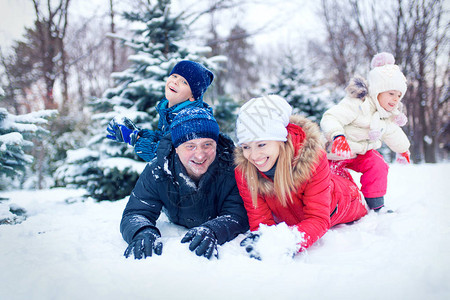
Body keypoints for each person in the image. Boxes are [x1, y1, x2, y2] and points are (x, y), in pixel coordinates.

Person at [234, 95, 367, 258]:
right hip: (300, 211)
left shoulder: (311, 159)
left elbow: (318, 219)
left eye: (261, 144)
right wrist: (265, 240)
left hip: (344, 199)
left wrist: (288, 241)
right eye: (246, 146)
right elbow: (260, 218)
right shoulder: (245, 171)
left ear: (280, 140)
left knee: (346, 190)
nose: (253, 155)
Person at [120, 107, 249, 259]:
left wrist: (214, 229)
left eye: (207, 144)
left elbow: (237, 213)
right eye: (190, 146)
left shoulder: (232, 169)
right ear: (176, 148)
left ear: (216, 143)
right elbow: (136, 212)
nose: (200, 155)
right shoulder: (158, 170)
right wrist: (142, 231)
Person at [320, 52, 411, 212]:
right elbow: (331, 117)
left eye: (398, 95)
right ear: (377, 91)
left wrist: (403, 149)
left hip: (361, 152)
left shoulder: (386, 115)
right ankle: (332, 202)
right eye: (391, 93)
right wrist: (337, 136)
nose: (395, 99)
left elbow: (393, 133)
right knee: (334, 177)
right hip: (337, 150)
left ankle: (376, 202)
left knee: (378, 164)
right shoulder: (358, 104)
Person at [107, 60, 214, 161]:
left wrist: (135, 139)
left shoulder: (192, 120)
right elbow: (163, 140)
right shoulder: (170, 111)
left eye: (184, 82)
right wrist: (139, 133)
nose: (176, 81)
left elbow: (167, 157)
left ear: (193, 96)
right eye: (174, 76)